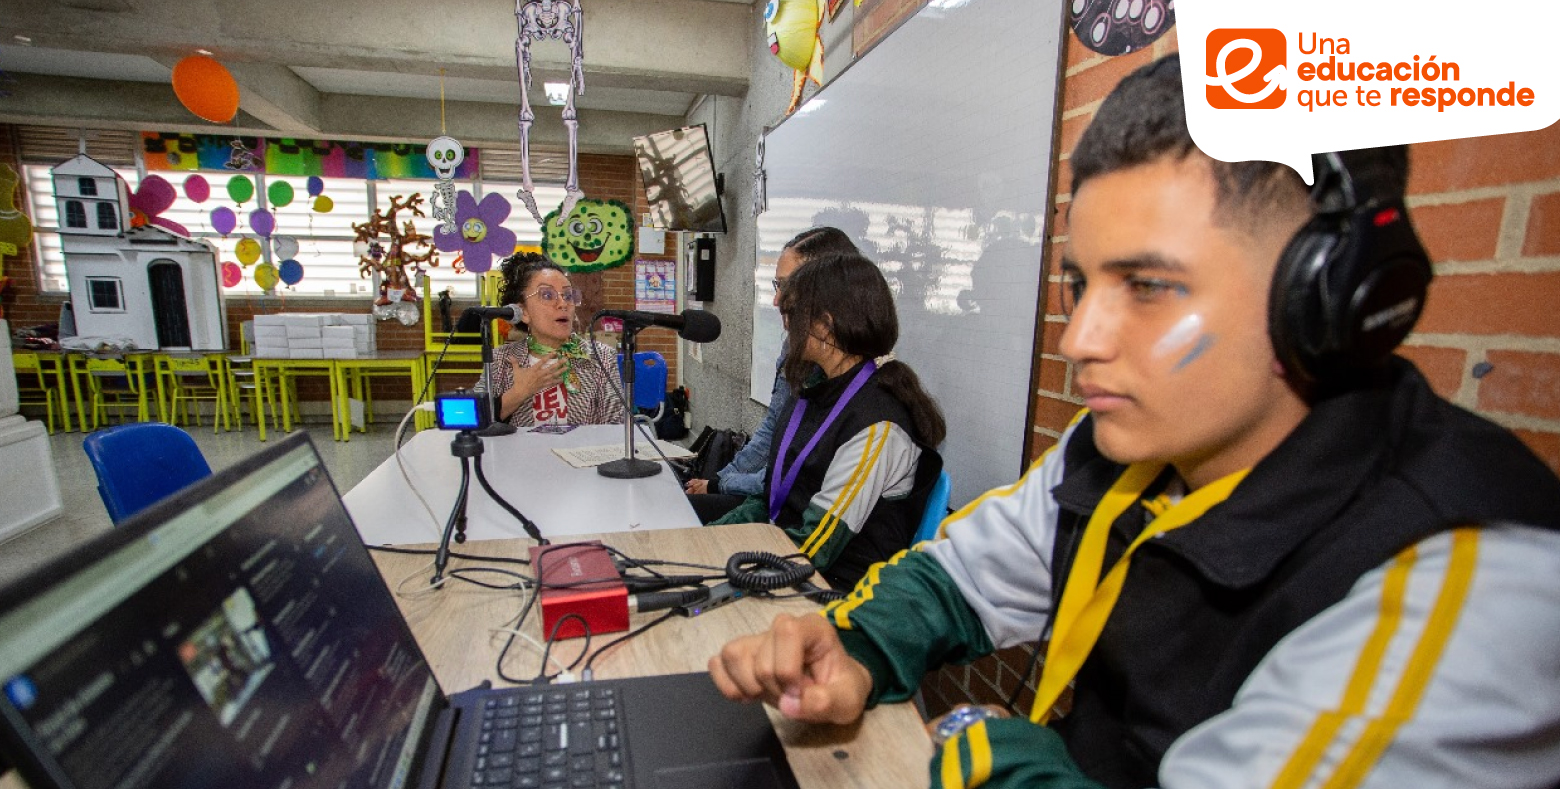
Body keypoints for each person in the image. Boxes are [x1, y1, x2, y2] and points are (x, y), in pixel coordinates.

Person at [709, 56, 1560, 789]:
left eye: (1147, 287)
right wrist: (855, 649)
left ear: (1324, 303)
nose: (1081, 340)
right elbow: (960, 576)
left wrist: (985, 750)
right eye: (1082, 283)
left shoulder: (1471, 588)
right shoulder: (1131, 450)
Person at [710, 253, 947, 590]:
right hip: (788, 560)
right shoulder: (812, 389)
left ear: (825, 324)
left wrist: (721, 564)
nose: (785, 324)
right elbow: (771, 497)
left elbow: (816, 547)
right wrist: (707, 538)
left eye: (791, 313)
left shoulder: (878, 425)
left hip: (835, 590)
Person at [684, 226, 862, 523]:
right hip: (770, 499)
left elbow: (795, 479)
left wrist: (719, 484)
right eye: (776, 285)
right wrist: (717, 479)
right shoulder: (797, 351)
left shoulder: (855, 390)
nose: (777, 301)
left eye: (786, 287)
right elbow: (773, 435)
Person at [475, 253, 624, 427]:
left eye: (568, 296)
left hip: (580, 452)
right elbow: (470, 419)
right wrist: (519, 392)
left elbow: (617, 426)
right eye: (547, 295)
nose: (563, 304)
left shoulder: (601, 357)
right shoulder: (501, 359)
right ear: (523, 312)